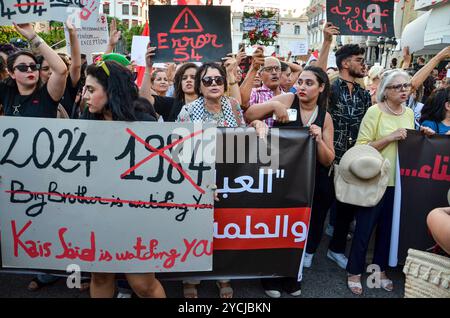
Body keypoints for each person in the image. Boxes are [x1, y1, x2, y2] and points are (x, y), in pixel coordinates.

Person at [176, 62, 267, 298]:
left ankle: (223, 277)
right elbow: (179, 150)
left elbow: (244, 133)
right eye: (207, 80)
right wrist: (201, 180)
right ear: (199, 86)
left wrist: (256, 124)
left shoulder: (234, 106)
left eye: (218, 80)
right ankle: (191, 279)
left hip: (230, 180)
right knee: (195, 230)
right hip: (199, 180)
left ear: (225, 84)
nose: (214, 84)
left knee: (225, 229)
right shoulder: (188, 111)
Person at [245, 66, 335, 297]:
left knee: (297, 229)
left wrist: (318, 139)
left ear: (321, 87)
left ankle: (291, 275)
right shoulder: (288, 98)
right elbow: (250, 114)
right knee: (275, 225)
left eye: (309, 83)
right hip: (280, 177)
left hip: (308, 182)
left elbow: (328, 159)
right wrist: (275, 105)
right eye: (300, 82)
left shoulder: (325, 117)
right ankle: (269, 276)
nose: (302, 87)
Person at [80, 60, 164, 298]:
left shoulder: (145, 124)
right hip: (97, 214)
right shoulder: (86, 123)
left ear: (111, 91)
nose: (85, 95)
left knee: (142, 285)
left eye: (91, 90)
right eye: (85, 89)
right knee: (101, 276)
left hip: (136, 217)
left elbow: (172, 169)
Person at [347, 69, 435, 295]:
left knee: (388, 230)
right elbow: (361, 147)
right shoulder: (374, 112)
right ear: (385, 91)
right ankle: (354, 272)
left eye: (406, 85)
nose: (404, 90)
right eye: (398, 86)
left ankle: (379, 272)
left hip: (400, 182)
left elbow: (409, 142)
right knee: (365, 229)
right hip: (375, 180)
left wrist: (422, 134)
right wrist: (389, 137)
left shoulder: (408, 113)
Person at [316, 23, 372, 271]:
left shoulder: (363, 93)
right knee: (321, 206)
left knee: (348, 209)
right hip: (329, 158)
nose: (364, 65)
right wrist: (327, 42)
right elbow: (316, 76)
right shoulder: (331, 86)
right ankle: (308, 251)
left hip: (353, 159)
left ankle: (336, 249)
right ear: (346, 63)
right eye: (359, 60)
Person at [0, 23, 66, 118]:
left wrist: (34, 37)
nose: (30, 70)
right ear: (11, 73)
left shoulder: (47, 94)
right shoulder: (6, 91)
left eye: (34, 67)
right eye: (22, 67)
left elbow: (61, 70)